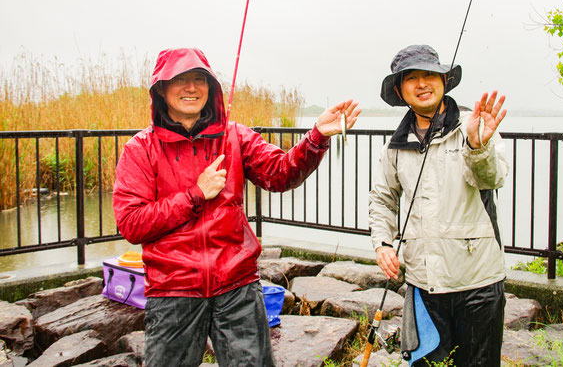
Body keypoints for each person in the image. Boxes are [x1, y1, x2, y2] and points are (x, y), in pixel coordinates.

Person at [112, 47, 360, 367]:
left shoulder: (235, 136)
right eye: (180, 79)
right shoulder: (139, 149)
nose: (191, 87)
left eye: (199, 79)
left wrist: (315, 138)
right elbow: (132, 223)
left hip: (238, 286)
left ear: (211, 87)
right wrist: (195, 194)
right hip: (173, 290)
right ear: (161, 88)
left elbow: (280, 174)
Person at [368, 44, 508, 366]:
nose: (422, 83)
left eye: (429, 74)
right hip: (423, 285)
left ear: (444, 80)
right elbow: (382, 198)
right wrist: (383, 245)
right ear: (400, 91)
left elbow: (493, 177)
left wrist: (477, 145)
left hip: (479, 283)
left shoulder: (475, 128)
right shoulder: (395, 147)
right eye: (412, 78)